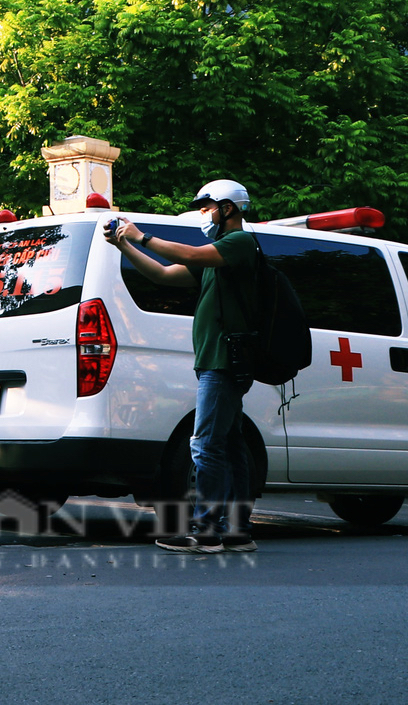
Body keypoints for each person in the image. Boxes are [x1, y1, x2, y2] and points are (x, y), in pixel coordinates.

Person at [107, 180, 262, 556]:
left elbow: (191, 253)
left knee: (205, 444)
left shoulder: (239, 244)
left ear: (229, 209)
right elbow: (163, 275)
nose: (203, 214)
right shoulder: (215, 262)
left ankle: (207, 532)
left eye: (208, 207)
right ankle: (238, 531)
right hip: (216, 359)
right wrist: (124, 245)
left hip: (224, 361)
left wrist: (141, 236)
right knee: (230, 443)